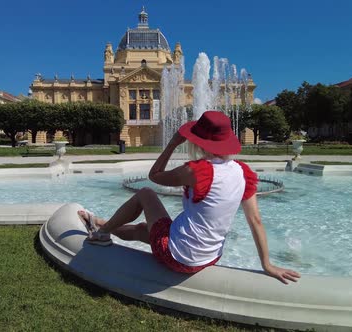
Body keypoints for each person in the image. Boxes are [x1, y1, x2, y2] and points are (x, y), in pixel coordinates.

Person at [78, 111, 300, 284]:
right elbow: (256, 221)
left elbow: (153, 176)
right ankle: (99, 224)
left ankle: (101, 234)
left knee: (145, 193)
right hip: (210, 257)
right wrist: (267, 265)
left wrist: (173, 143)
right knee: (142, 230)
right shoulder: (243, 172)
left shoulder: (197, 170)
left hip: (176, 255)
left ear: (198, 141)